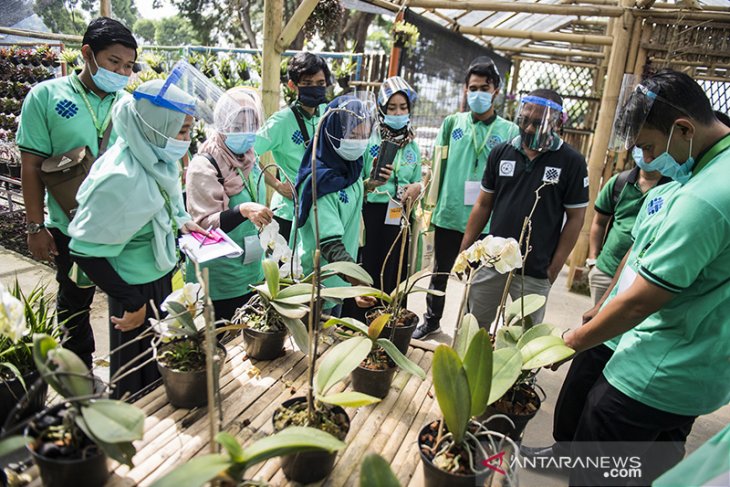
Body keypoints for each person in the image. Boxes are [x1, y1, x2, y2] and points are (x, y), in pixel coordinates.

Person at [556, 70, 730, 486]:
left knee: (596, 466)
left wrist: (569, 344)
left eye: (649, 147)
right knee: (648, 470)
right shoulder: (708, 170)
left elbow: (640, 301)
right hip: (695, 373)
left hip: (654, 371)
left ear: (683, 128)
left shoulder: (705, 196)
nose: (646, 160)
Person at [68, 79, 206, 399]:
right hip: (133, 290)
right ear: (156, 126)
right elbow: (84, 251)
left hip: (159, 279)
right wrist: (132, 302)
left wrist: (182, 223)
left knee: (162, 367)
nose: (186, 140)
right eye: (182, 130)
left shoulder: (156, 159)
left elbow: (163, 205)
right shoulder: (121, 177)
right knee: (136, 380)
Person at [17, 17, 137, 369]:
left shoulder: (128, 104)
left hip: (124, 228)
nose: (121, 72)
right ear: (87, 54)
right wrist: (36, 227)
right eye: (114, 62)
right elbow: (30, 165)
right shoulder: (47, 96)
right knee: (75, 303)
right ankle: (77, 376)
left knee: (129, 299)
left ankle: (129, 372)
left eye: (128, 66)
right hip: (73, 230)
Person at [460, 89, 588, 328]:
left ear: (558, 123)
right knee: (473, 328)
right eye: (524, 120)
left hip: (535, 270)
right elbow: (483, 203)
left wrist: (554, 267)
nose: (529, 129)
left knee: (519, 342)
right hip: (492, 262)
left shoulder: (572, 162)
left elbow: (575, 218)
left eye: (538, 123)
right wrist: (466, 250)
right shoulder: (501, 152)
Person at [413, 56, 517, 340]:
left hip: (486, 219)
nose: (478, 94)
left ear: (495, 90)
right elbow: (437, 167)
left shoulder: (509, 131)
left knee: (481, 280)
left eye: (484, 88)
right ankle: (431, 319)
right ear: (465, 90)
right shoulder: (451, 123)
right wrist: (430, 207)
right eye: (473, 88)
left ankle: (470, 330)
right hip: (450, 212)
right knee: (440, 272)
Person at [185, 88, 272, 321]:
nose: (246, 133)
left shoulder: (250, 160)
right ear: (222, 124)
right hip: (219, 279)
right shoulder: (205, 165)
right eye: (237, 126)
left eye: (251, 125)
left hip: (251, 271)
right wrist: (241, 211)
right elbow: (203, 225)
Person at [343, 77, 422, 320]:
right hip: (371, 214)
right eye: (392, 107)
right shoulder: (369, 138)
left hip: (399, 213)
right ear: (381, 108)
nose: (398, 112)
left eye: (403, 107)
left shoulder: (412, 144)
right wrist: (373, 180)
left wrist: (418, 186)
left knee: (394, 269)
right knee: (369, 266)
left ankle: (390, 321)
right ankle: (360, 322)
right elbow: (356, 180)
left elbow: (418, 177)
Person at [295, 94, 377, 317]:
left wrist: (370, 185)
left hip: (340, 280)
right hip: (318, 284)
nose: (359, 142)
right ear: (331, 132)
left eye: (364, 135)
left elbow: (348, 197)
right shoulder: (320, 183)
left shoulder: (350, 167)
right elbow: (330, 244)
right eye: (353, 135)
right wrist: (358, 280)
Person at [254, 53, 332, 241]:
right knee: (286, 268)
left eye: (320, 83)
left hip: (321, 211)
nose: (315, 88)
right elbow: (246, 154)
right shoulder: (281, 121)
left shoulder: (327, 113)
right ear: (292, 85)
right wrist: (277, 185)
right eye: (307, 83)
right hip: (289, 212)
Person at [586, 162, 669, 303]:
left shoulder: (671, 189)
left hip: (640, 278)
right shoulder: (619, 183)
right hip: (606, 270)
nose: (647, 155)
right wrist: (593, 260)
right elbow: (599, 222)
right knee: (596, 318)